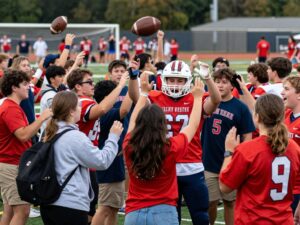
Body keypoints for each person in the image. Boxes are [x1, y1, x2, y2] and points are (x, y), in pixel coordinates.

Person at [129, 60, 221, 225]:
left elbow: (215, 100)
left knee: (201, 216)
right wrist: (133, 78)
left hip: (192, 165)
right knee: (172, 216)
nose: (175, 84)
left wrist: (208, 79)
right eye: (171, 79)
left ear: (188, 81)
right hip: (166, 166)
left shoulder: (196, 97)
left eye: (180, 80)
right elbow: (136, 97)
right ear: (164, 79)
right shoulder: (156, 97)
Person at [40, 91, 123, 225]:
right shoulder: (74, 136)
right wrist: (113, 137)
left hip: (49, 200)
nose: (81, 109)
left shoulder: (49, 132)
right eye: (78, 106)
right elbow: (102, 161)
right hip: (69, 203)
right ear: (71, 111)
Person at [219, 94, 300, 225]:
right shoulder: (294, 148)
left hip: (252, 220)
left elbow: (225, 186)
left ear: (257, 117)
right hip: (284, 220)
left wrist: (229, 152)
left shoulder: (247, 150)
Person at [202, 68, 255, 225]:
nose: (220, 85)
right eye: (217, 81)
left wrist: (242, 158)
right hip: (209, 162)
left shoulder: (240, 107)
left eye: (224, 82)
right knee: (210, 202)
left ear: (232, 86)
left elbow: (247, 135)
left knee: (230, 203)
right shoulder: (207, 102)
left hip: (231, 162)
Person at [0, 70, 52, 225]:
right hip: (10, 164)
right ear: (14, 88)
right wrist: (42, 118)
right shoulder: (10, 108)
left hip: (10, 162)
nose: (28, 87)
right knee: (22, 210)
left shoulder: (11, 105)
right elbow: (23, 135)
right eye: (24, 84)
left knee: (10, 210)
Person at [92, 60, 132, 225]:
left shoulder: (99, 111)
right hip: (108, 164)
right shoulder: (106, 114)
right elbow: (124, 110)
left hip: (111, 162)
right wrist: (131, 83)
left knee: (113, 207)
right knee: (105, 208)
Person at [281, 76, 300, 214]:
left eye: (286, 89)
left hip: (297, 188)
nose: (282, 92)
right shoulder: (286, 114)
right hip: (283, 184)